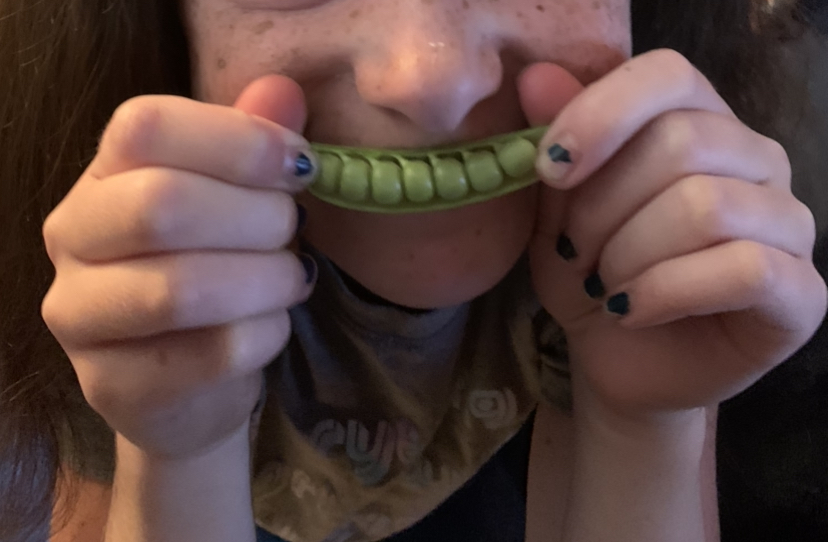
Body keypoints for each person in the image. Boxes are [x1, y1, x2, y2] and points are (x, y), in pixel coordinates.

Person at [0, 1, 826, 541]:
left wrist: (645, 426)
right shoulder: (124, 247)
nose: (433, 82)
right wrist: (178, 454)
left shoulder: (628, 237)